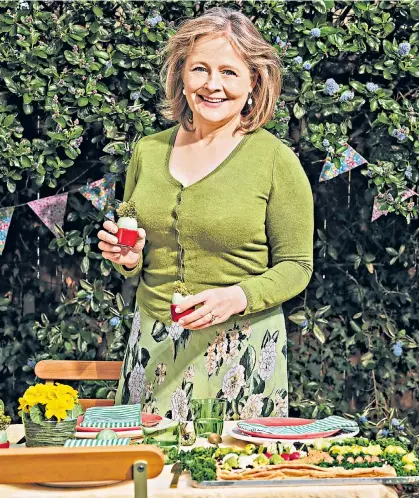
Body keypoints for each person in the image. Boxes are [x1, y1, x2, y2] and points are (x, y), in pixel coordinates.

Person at [96, 7, 314, 421]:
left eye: (229, 72)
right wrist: (129, 260)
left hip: (239, 351)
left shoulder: (275, 161)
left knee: (227, 475)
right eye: (200, 69)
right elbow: (137, 260)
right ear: (181, 75)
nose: (213, 85)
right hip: (152, 345)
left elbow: (297, 266)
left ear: (254, 81)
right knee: (145, 478)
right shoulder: (148, 151)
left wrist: (237, 296)